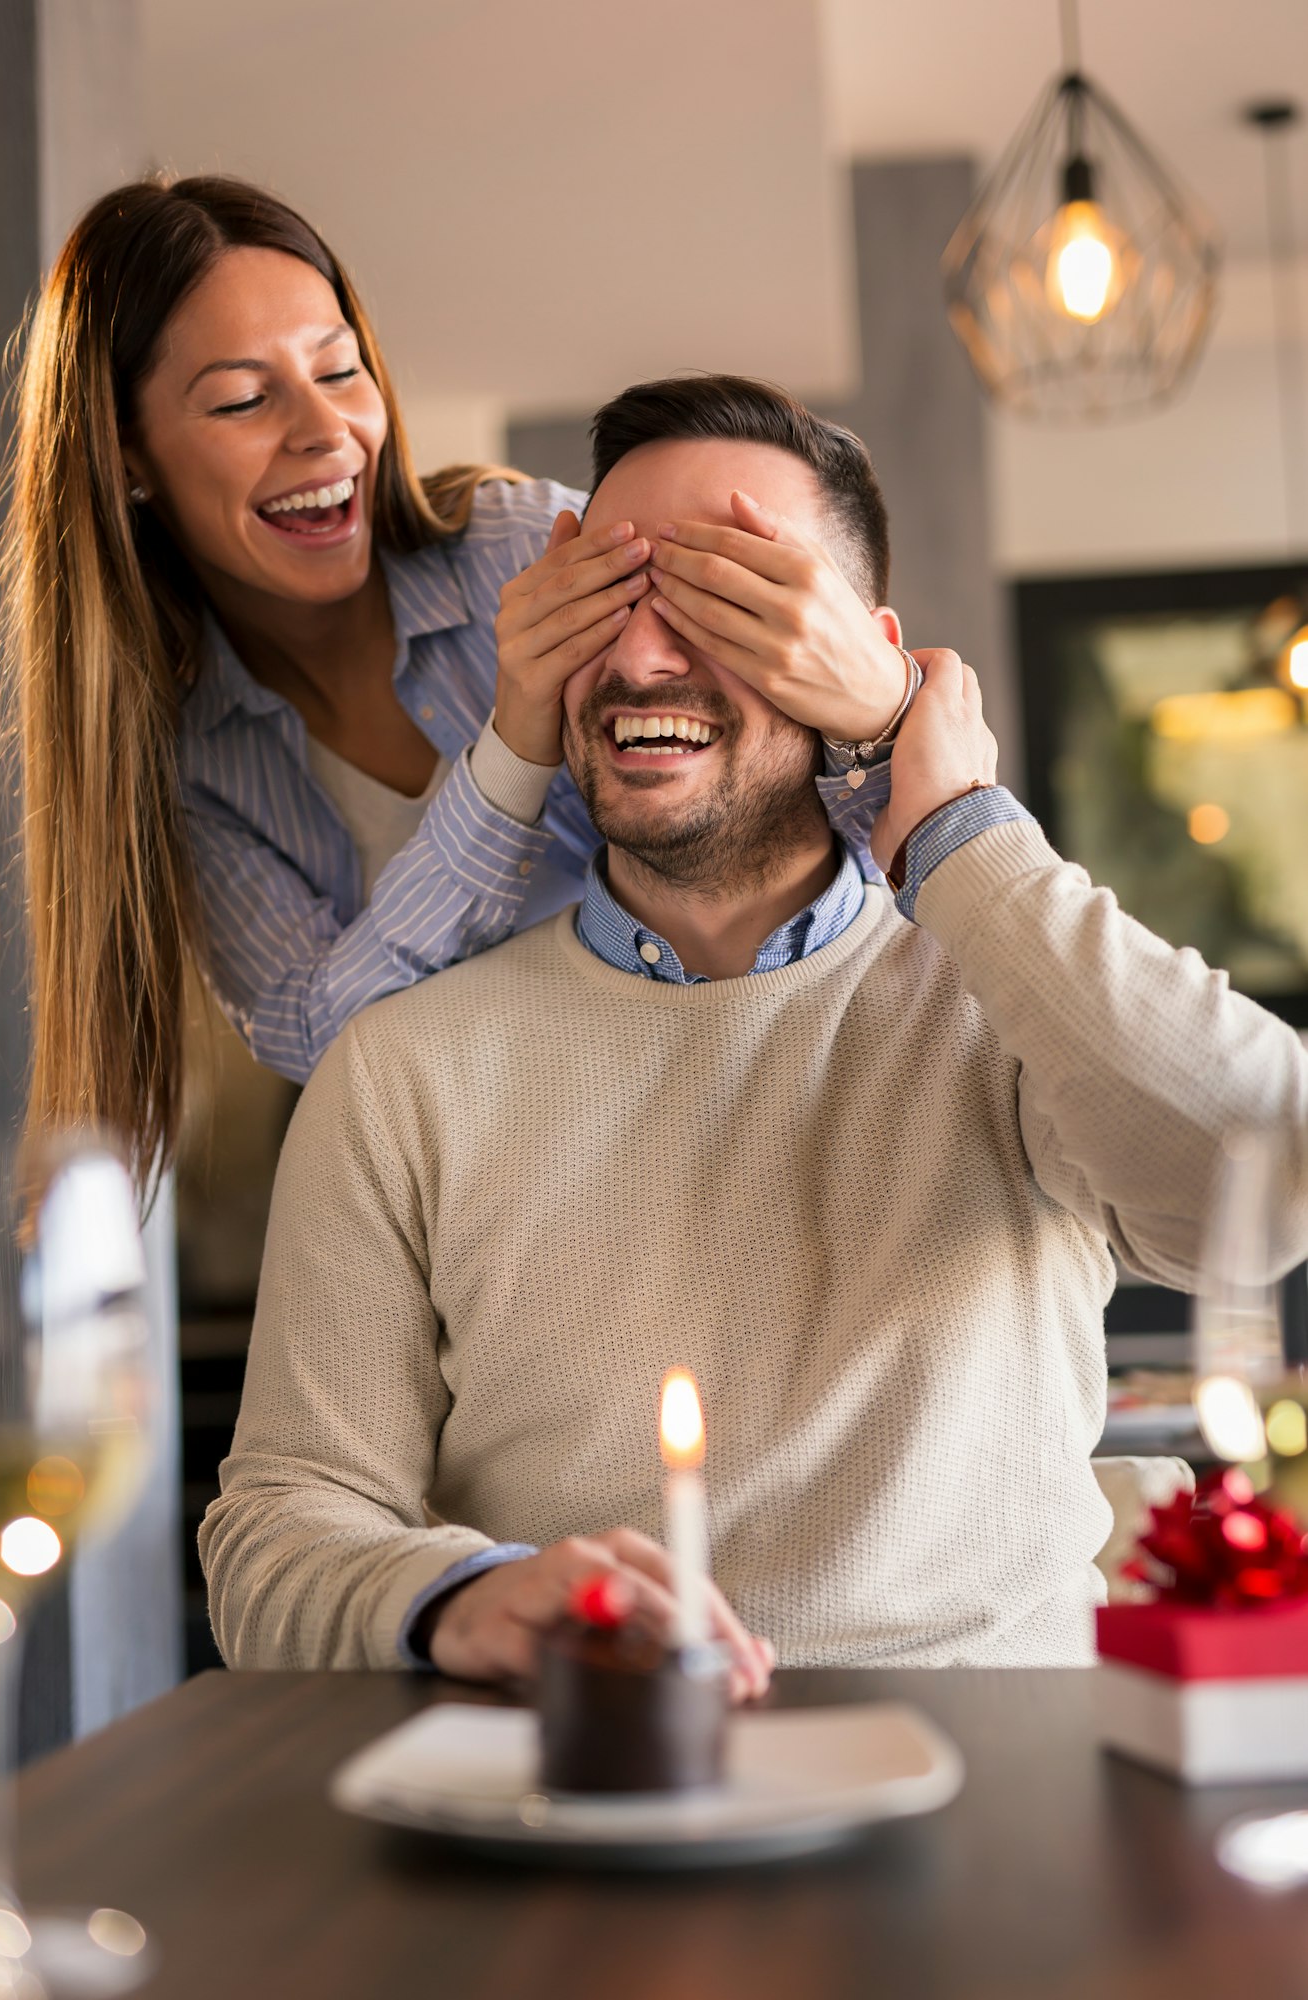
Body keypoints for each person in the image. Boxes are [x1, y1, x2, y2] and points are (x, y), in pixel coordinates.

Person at [200, 374, 1308, 1680]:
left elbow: (1266, 1171)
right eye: (605, 597)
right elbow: (273, 1536)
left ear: (862, 652)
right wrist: (460, 1600)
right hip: (597, 1794)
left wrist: (947, 815)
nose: (641, 658)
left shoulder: (1007, 996)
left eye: (732, 600)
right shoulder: (401, 1073)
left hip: (1000, 1807)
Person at [0, 176, 907, 1197]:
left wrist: (879, 707)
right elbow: (323, 1038)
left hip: (766, 1110)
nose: (324, 433)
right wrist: (510, 753)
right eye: (244, 399)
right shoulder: (186, 765)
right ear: (128, 460)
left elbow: (823, 820)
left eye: (340, 372)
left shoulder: (523, 551)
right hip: (515, 1198)